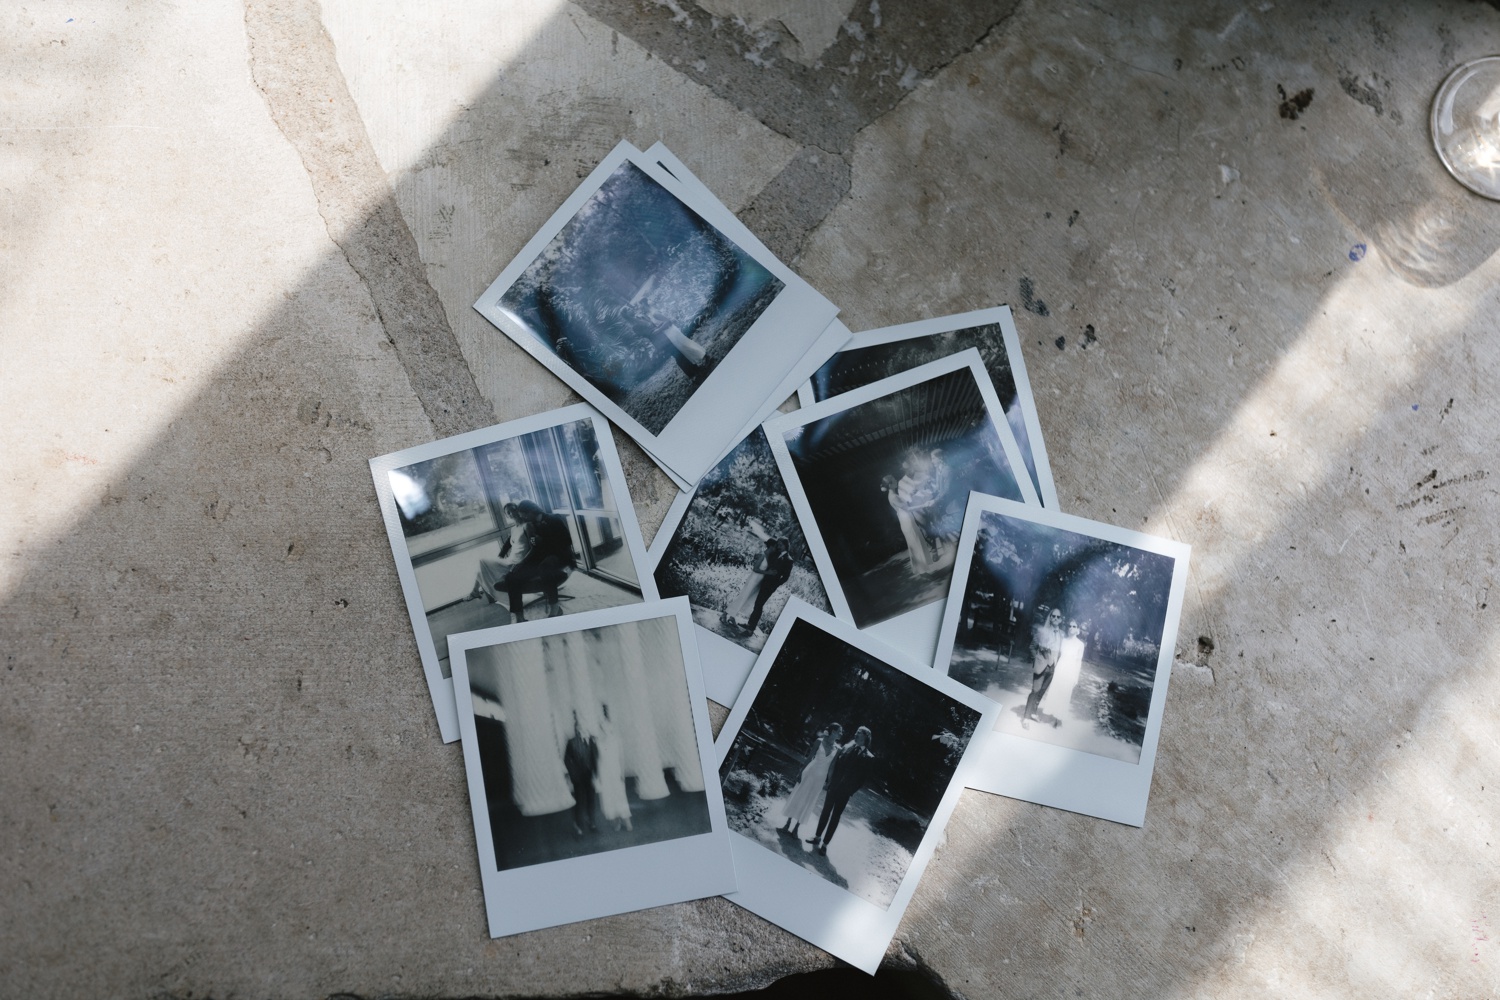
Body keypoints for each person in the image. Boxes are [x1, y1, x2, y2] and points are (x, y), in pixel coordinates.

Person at [502, 500, 577, 622]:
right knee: (511, 577)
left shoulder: (554, 519)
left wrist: (543, 542)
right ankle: (519, 617)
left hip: (559, 555)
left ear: (531, 511)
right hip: (540, 557)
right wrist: (521, 563)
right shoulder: (531, 524)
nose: (523, 518)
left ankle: (555, 608)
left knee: (545, 567)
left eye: (524, 515)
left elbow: (566, 541)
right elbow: (534, 548)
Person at [807, 726, 877, 855]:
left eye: (858, 733)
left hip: (845, 792)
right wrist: (830, 782)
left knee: (835, 817)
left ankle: (825, 845)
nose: (855, 734)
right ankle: (817, 837)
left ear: (865, 737)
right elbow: (836, 766)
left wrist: (850, 791)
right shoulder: (846, 747)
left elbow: (862, 780)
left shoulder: (869, 757)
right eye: (856, 732)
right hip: (833, 786)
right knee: (825, 812)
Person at [777, 723, 842, 838]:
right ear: (833, 732)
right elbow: (809, 757)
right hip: (809, 772)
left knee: (809, 801)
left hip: (820, 779)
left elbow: (831, 767)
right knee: (799, 796)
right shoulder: (819, 741)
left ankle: (796, 828)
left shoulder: (837, 749)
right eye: (839, 731)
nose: (841, 734)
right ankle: (787, 824)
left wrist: (829, 782)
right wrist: (800, 771)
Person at [470, 502, 531, 604]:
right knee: (480, 572)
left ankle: (476, 592)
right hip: (510, 560)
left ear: (518, 510)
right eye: (508, 512)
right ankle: (478, 592)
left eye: (513, 510)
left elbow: (533, 546)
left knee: (482, 562)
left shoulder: (527, 525)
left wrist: (524, 563)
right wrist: (500, 558)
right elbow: (507, 546)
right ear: (507, 515)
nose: (512, 513)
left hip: (519, 563)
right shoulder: (513, 529)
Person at [1022, 608, 1066, 728]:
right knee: (1035, 690)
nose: (1055, 618)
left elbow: (1062, 651)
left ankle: (1033, 712)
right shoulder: (1042, 631)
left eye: (1058, 617)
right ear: (1050, 617)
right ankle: (1026, 718)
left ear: (1061, 620)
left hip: (1053, 668)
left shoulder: (1062, 635)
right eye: (1053, 616)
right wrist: (1037, 659)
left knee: (1042, 692)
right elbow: (1032, 646)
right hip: (1042, 666)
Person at [724, 518, 772, 629]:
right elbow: (755, 568)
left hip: (758, 581)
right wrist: (767, 572)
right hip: (754, 578)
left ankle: (731, 616)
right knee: (742, 597)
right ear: (771, 547)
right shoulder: (763, 555)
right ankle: (726, 615)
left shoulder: (769, 557)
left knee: (746, 599)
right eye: (774, 547)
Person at [1037, 621, 1087, 725]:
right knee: (1055, 691)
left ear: (1078, 629)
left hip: (1070, 670)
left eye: (1074, 626)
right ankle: (1049, 713)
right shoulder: (1063, 641)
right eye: (1069, 626)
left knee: (1064, 693)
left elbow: (1078, 662)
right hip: (1060, 668)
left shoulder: (1080, 645)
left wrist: (1075, 678)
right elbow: (1056, 654)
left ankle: (1057, 718)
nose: (1071, 628)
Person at [594, 704, 632, 832]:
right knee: (608, 797)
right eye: (602, 727)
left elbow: (621, 758)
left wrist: (621, 772)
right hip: (604, 773)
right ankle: (616, 822)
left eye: (607, 726)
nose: (605, 728)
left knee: (619, 794)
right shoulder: (598, 742)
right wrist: (598, 777)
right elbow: (597, 760)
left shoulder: (616, 740)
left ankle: (626, 820)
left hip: (615, 771)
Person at [745, 538, 794, 633]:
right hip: (762, 581)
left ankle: (751, 629)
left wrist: (774, 585)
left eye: (780, 545)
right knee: (757, 604)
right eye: (778, 544)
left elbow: (785, 577)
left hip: (770, 586)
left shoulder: (789, 560)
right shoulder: (775, 553)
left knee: (759, 604)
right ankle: (749, 624)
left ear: (786, 546)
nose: (778, 546)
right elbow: (766, 557)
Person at [562, 712, 598, 836]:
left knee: (591, 799)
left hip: (589, 775)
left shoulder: (591, 740)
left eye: (584, 726)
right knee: (579, 801)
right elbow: (566, 759)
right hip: (578, 777)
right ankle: (578, 826)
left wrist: (595, 773)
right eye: (580, 727)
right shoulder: (571, 742)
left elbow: (595, 757)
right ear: (576, 728)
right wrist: (573, 774)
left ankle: (592, 822)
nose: (582, 729)